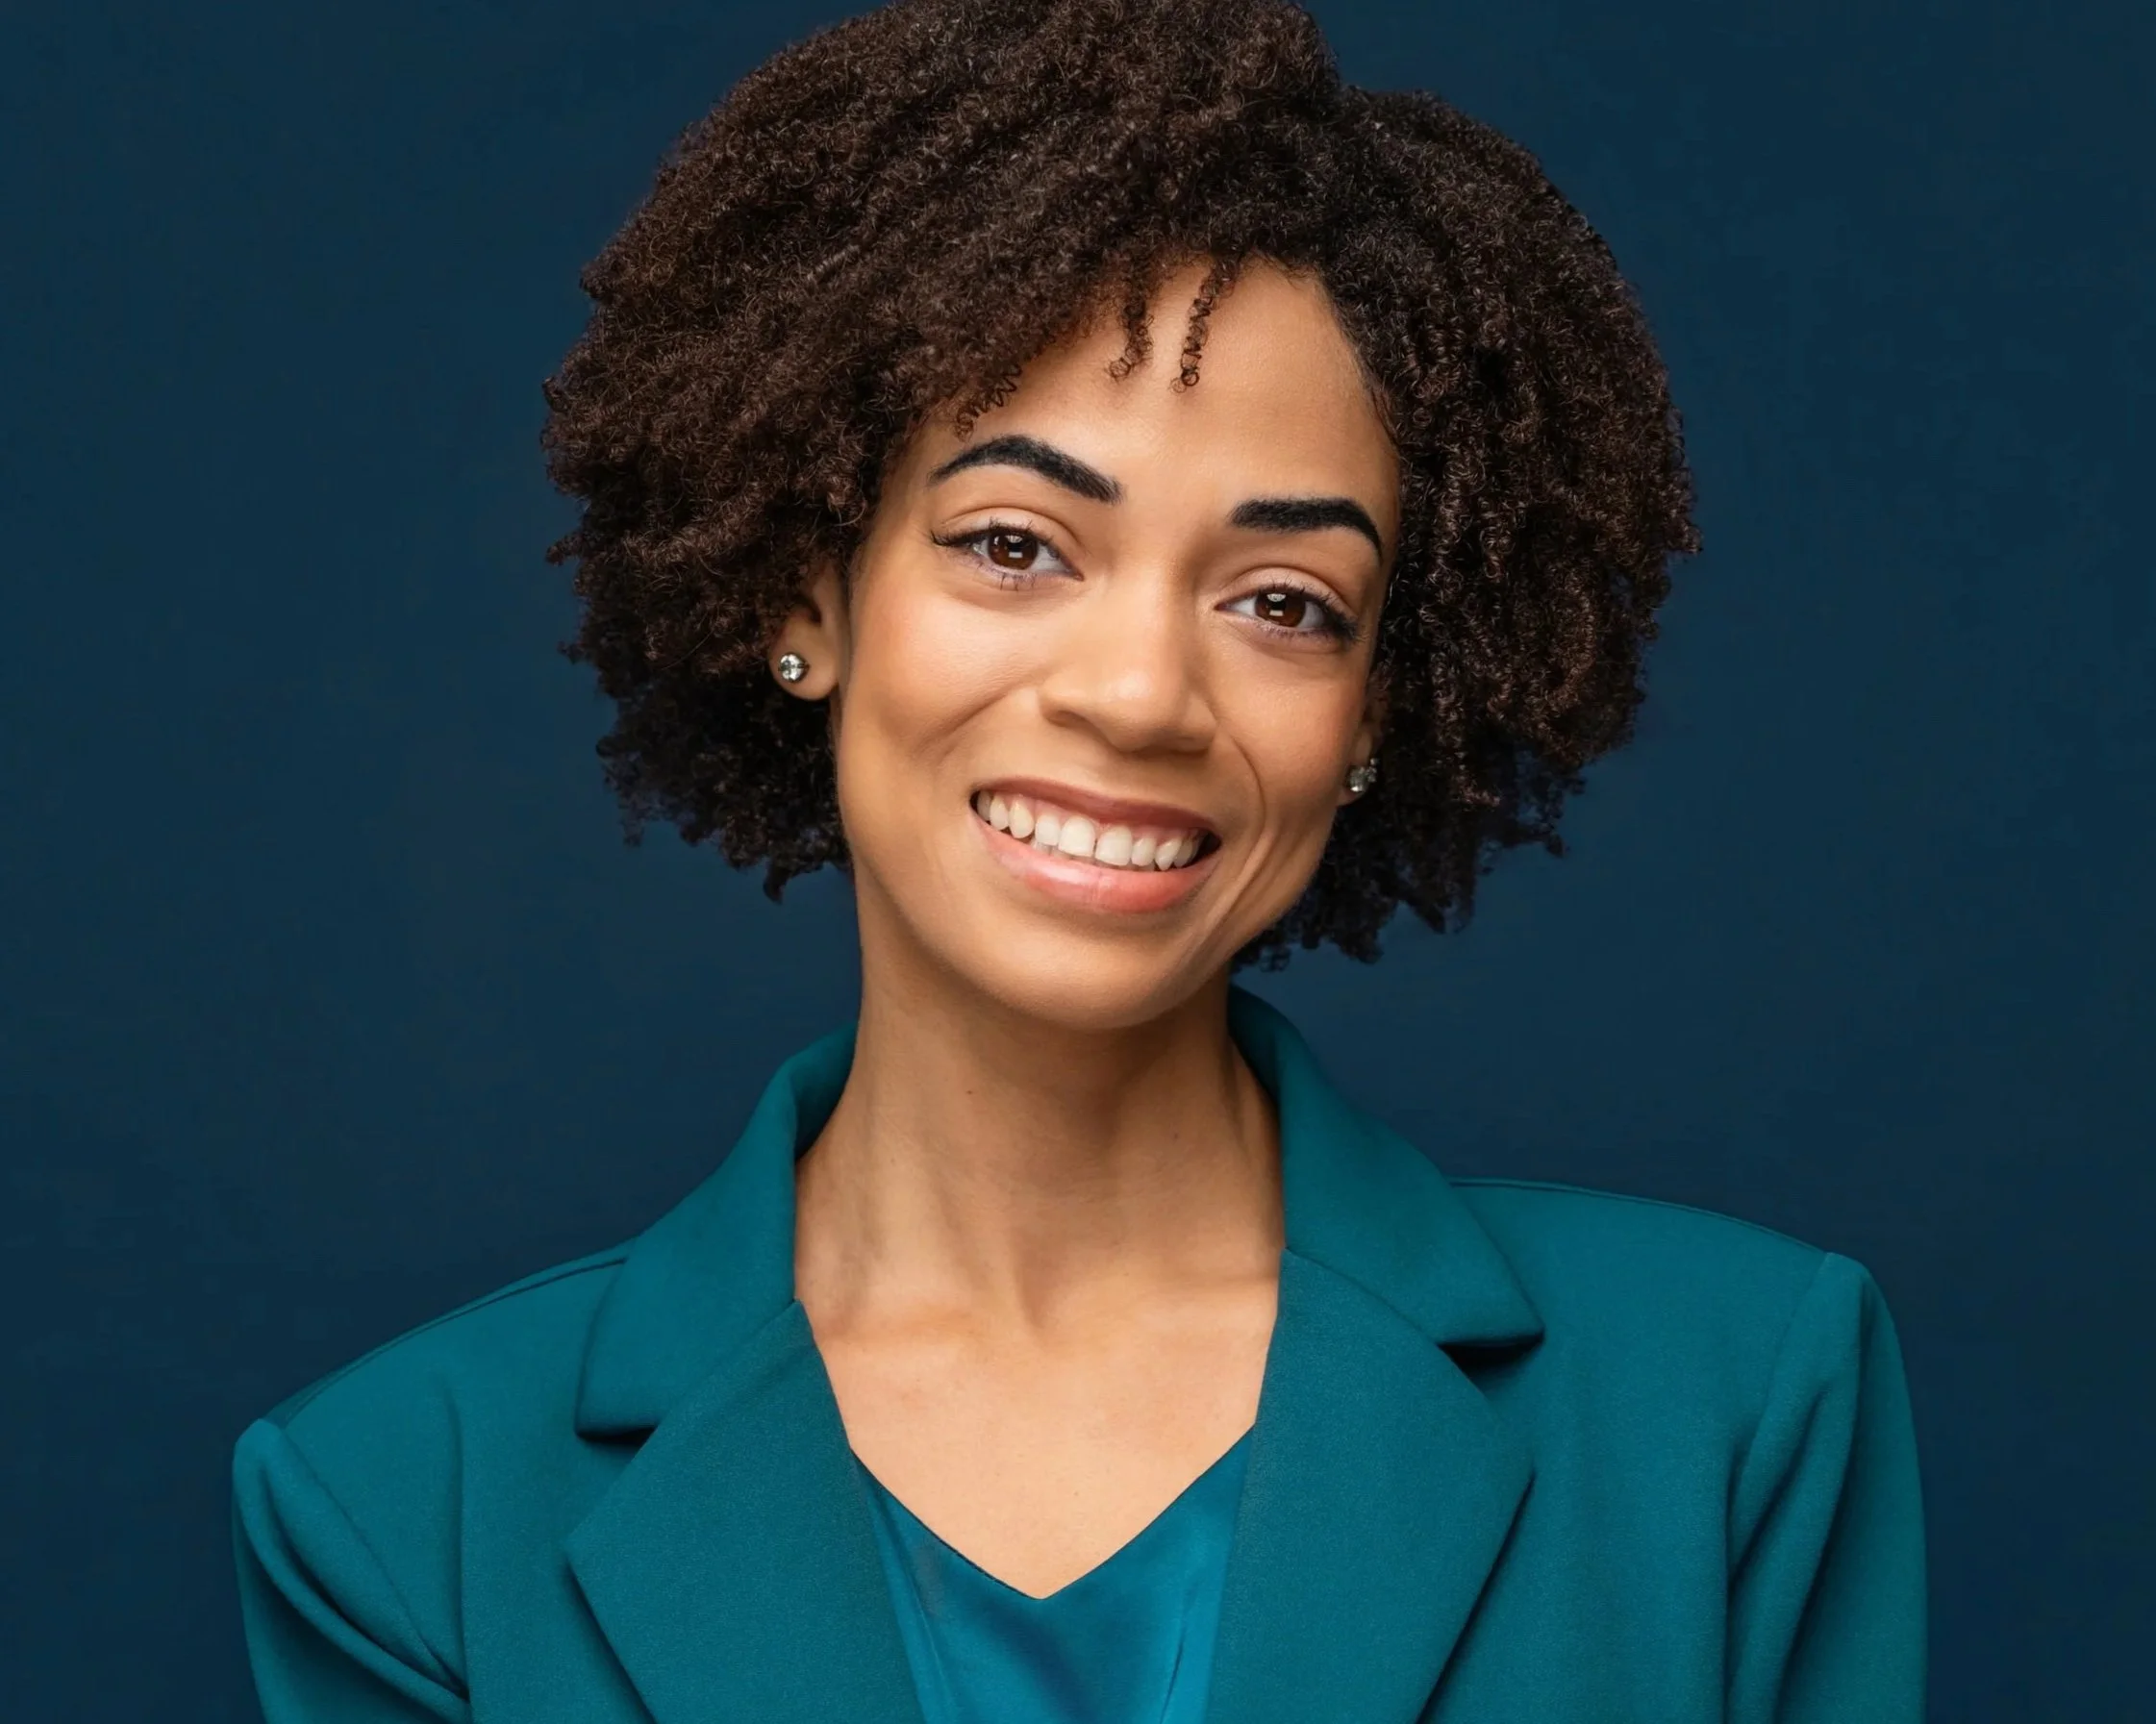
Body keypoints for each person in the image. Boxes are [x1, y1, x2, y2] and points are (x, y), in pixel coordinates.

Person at [230, 1, 1927, 1719]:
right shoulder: (401, 1508)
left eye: (1282, 602)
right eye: (1015, 545)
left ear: (1367, 716)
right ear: (805, 601)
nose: (1136, 695)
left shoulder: (1724, 1408)